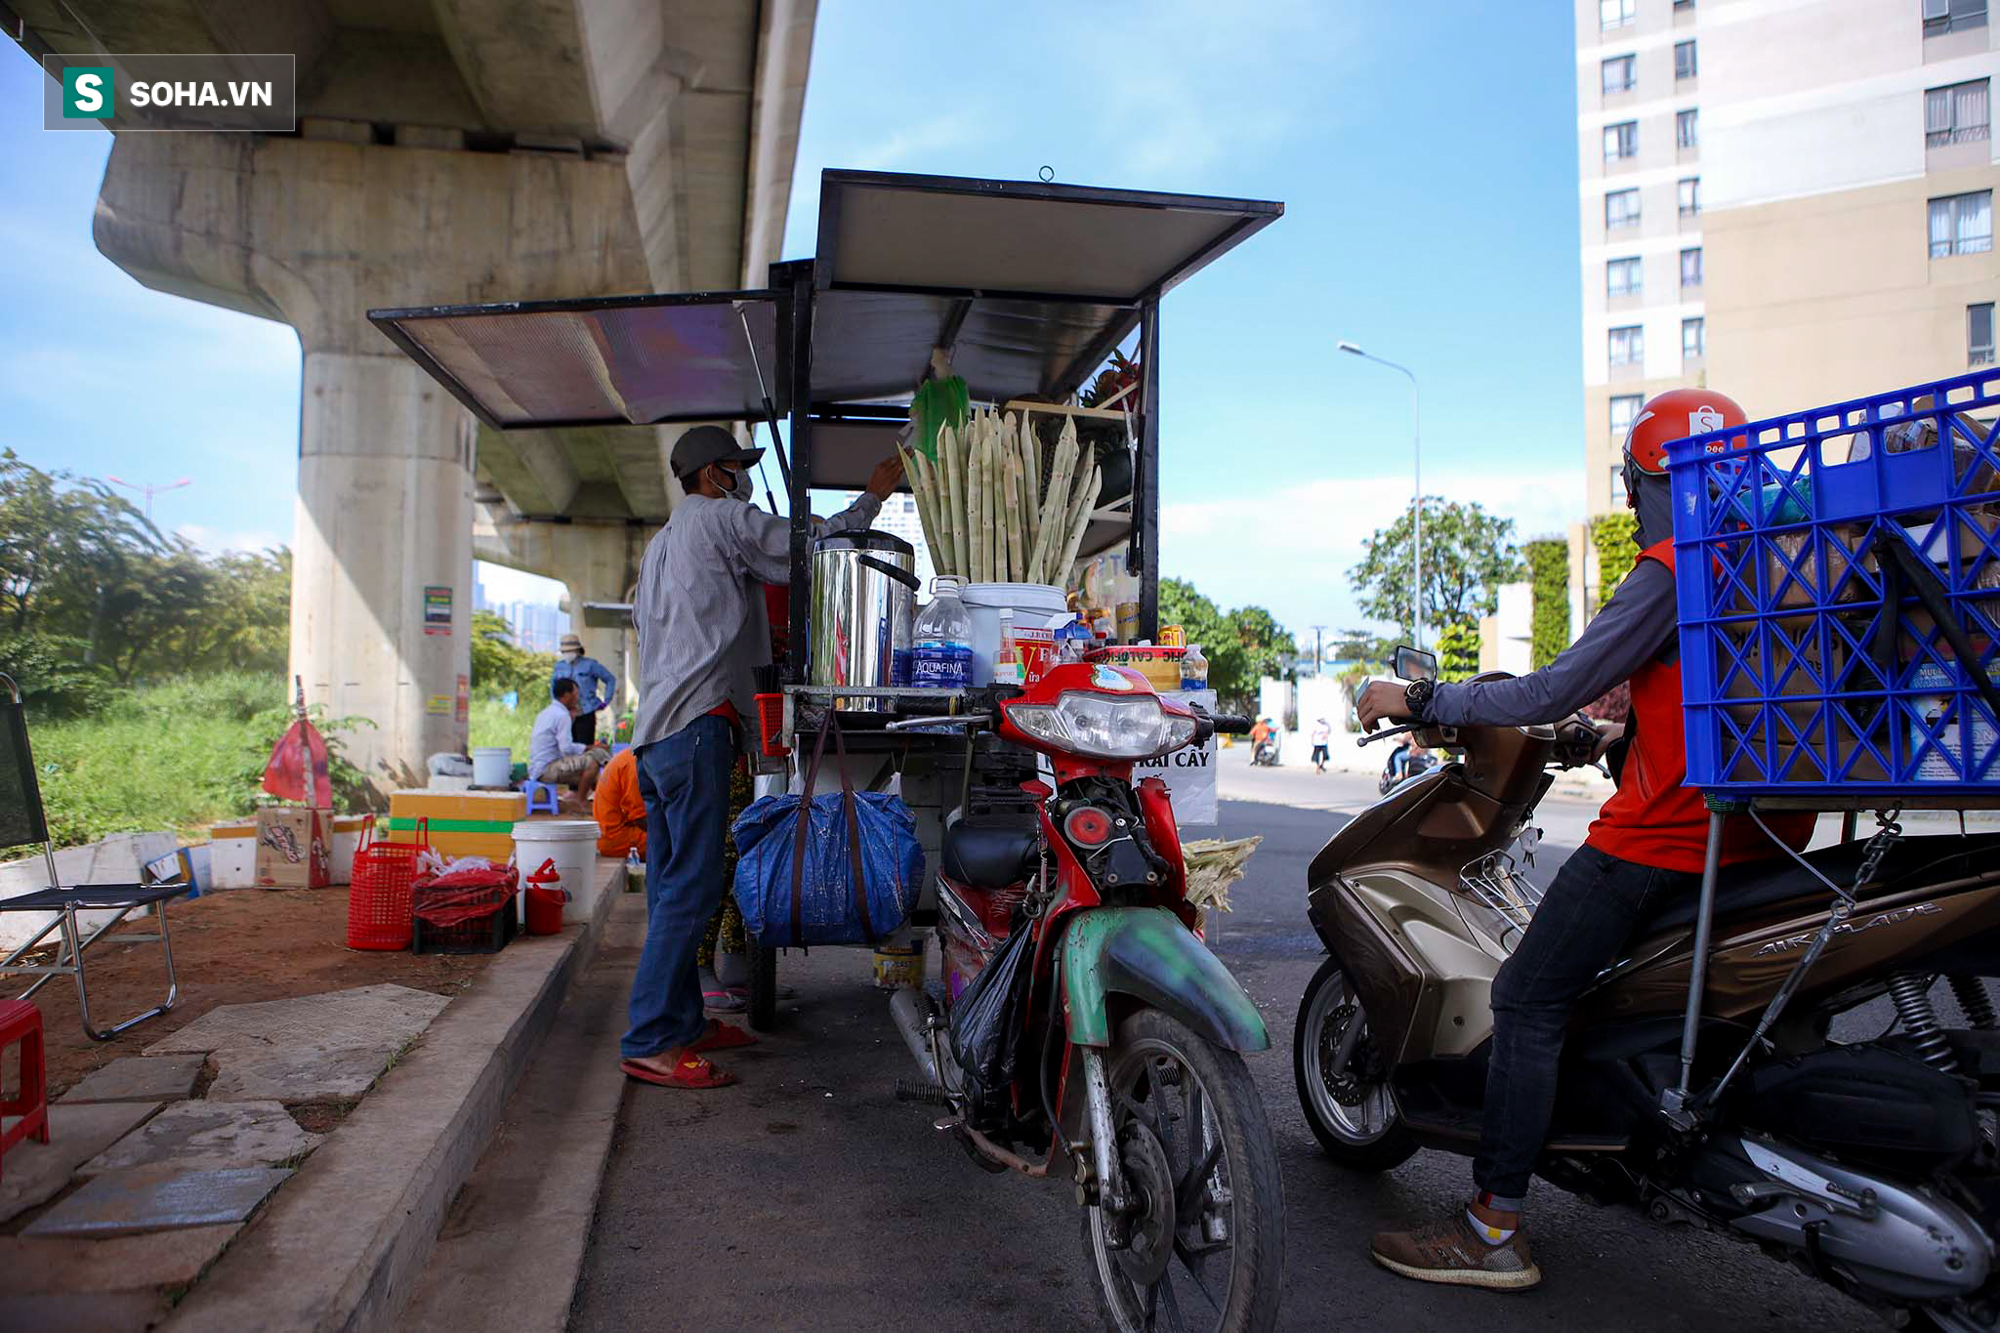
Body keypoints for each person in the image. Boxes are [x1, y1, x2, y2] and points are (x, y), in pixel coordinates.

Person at [1355, 389, 1813, 1292]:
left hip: (1664, 836)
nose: (1635, 503)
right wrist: (1629, 736)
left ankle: (1493, 1228)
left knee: (1527, 997)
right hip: (1762, 832)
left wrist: (1425, 700)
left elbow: (1546, 692)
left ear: (1657, 486)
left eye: (1638, 485)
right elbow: (1721, 701)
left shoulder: (1675, 566)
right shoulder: (1766, 566)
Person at [618, 424, 902, 1091]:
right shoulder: (722, 519)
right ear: (714, 475)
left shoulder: (660, 548)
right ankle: (651, 1039)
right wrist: (872, 500)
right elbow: (812, 547)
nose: (742, 478)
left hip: (656, 734)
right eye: (736, 469)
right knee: (691, 889)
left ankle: (680, 1020)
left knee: (671, 888)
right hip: (696, 726)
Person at [529, 678, 605, 806]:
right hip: (547, 768)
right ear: (566, 695)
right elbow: (566, 748)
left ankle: (595, 801)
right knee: (594, 760)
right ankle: (580, 802)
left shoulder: (546, 712)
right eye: (576, 694)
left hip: (537, 768)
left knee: (591, 776)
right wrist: (589, 747)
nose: (577, 698)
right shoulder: (562, 715)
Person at [552, 633, 617, 747]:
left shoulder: (590, 665)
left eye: (569, 651)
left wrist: (606, 700)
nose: (567, 654)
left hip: (585, 713)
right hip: (565, 714)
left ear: (577, 650)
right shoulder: (559, 667)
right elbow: (553, 689)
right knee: (566, 747)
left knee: (585, 748)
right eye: (564, 651)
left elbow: (610, 679)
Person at [592, 747, 645, 859]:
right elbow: (641, 819)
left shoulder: (630, 755)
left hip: (612, 833)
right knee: (680, 842)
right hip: (617, 838)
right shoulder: (634, 765)